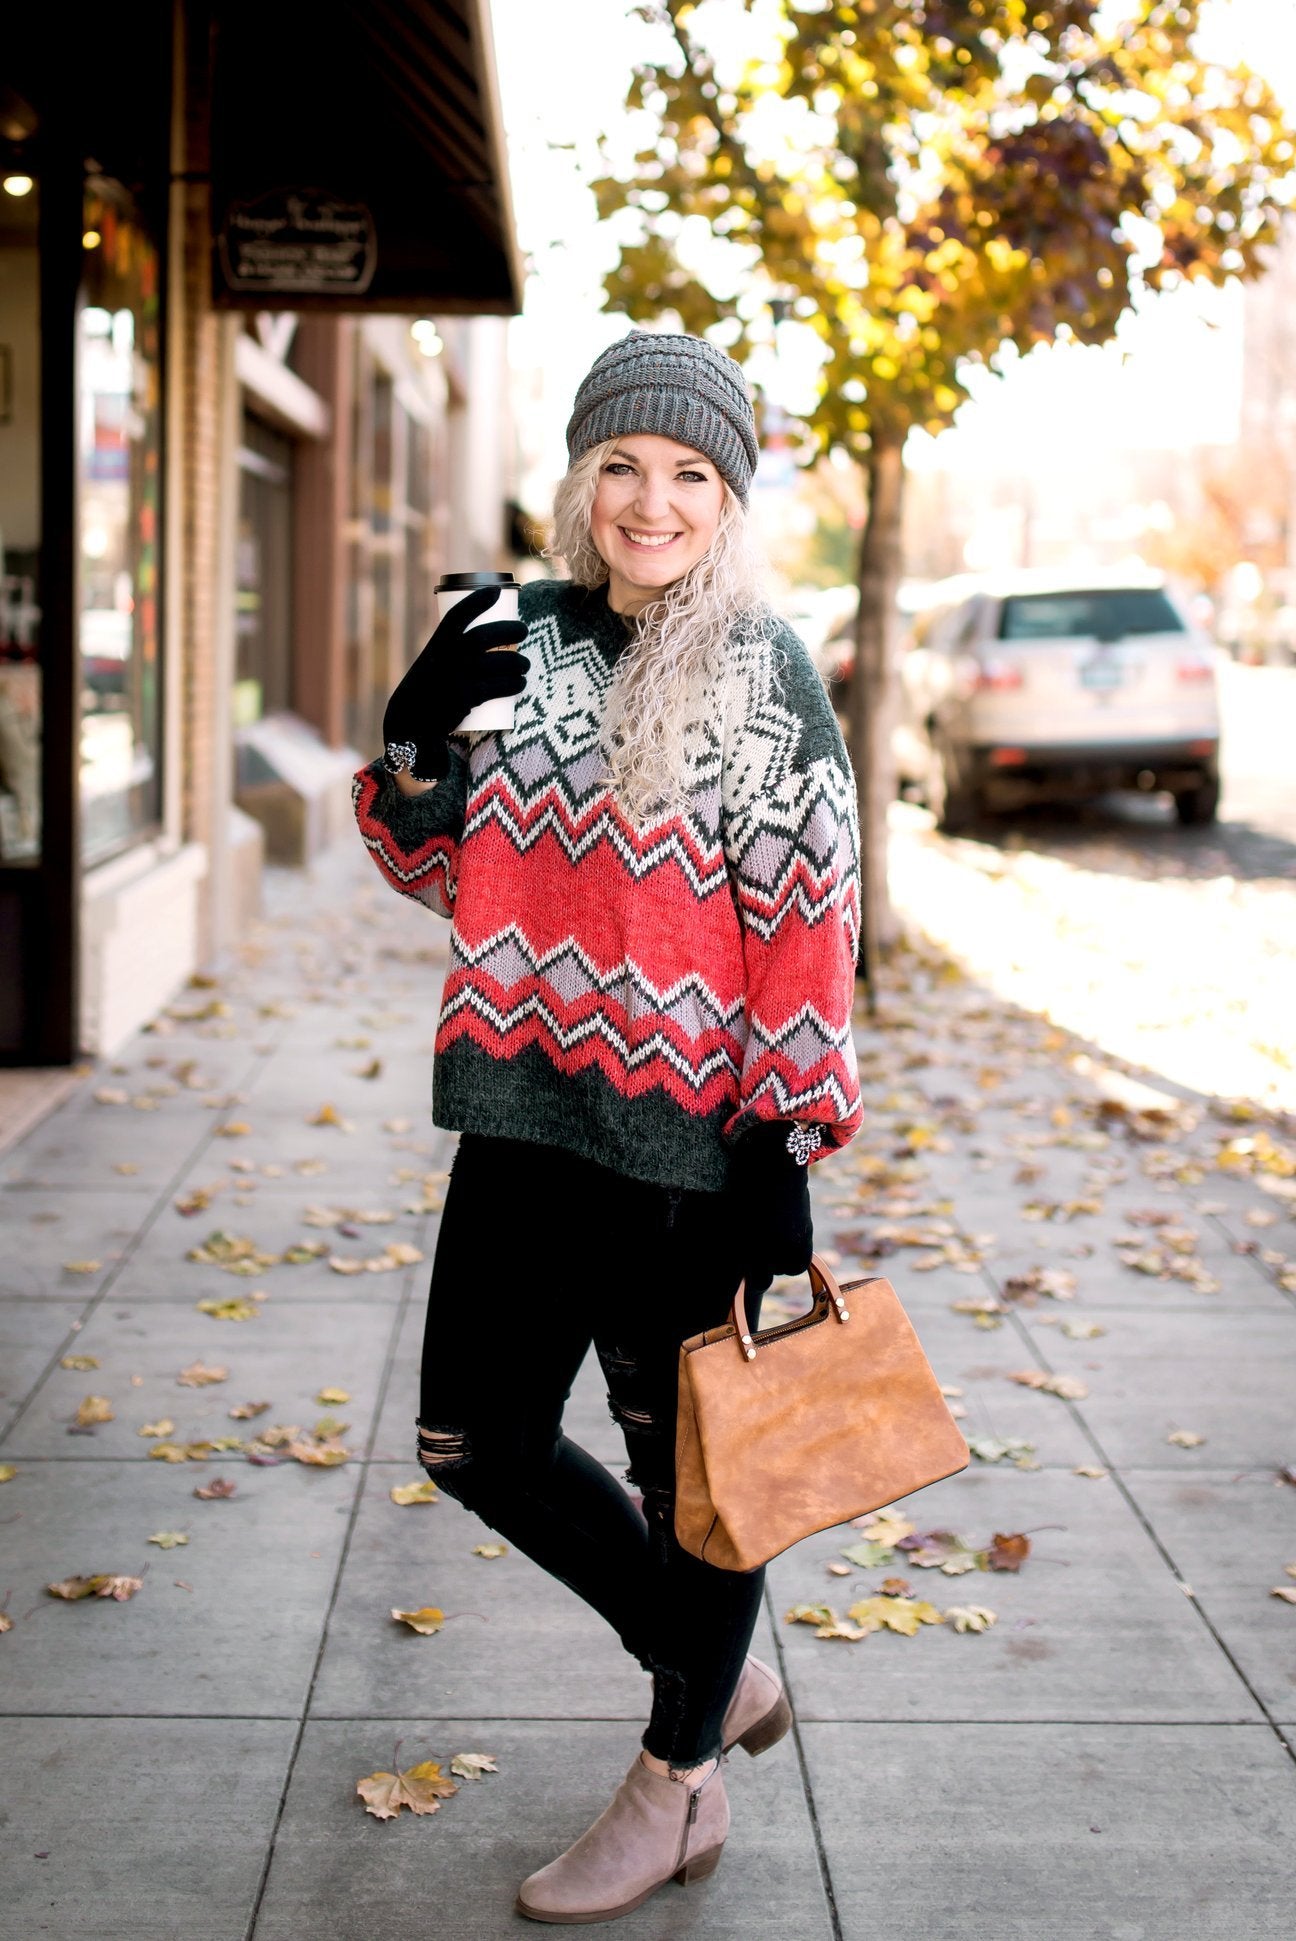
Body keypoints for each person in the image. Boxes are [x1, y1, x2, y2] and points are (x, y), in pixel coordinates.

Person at [353, 330, 862, 1924]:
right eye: (623, 467)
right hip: (520, 1117)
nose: (652, 501)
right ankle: (709, 1677)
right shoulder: (517, 630)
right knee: (472, 1440)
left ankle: (674, 1782)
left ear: (730, 499)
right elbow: (439, 868)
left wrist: (781, 1150)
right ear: (583, 477)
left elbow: (807, 918)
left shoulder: (763, 667)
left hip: (690, 1159)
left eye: (690, 475)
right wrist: (419, 743)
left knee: (691, 1491)